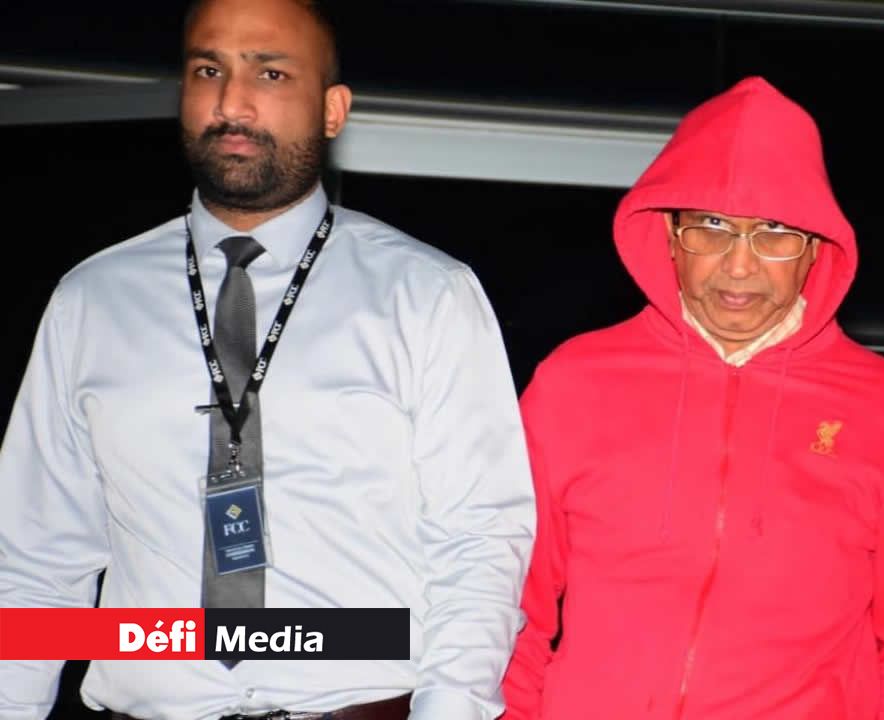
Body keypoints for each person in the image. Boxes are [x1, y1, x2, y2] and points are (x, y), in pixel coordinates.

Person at [0, 1, 534, 718]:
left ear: (332, 110)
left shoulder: (424, 294)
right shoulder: (91, 300)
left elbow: (480, 544)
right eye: (208, 70)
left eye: (271, 73)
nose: (232, 102)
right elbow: (32, 561)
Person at [501, 76, 884, 719]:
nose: (739, 266)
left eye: (774, 230)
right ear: (669, 232)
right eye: (712, 226)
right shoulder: (575, 382)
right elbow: (511, 606)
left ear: (815, 248)